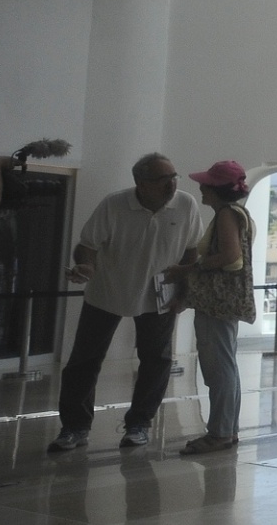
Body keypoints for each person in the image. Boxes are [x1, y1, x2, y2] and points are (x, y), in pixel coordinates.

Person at [47, 153, 210, 452]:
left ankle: (139, 424)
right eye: (164, 179)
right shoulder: (114, 204)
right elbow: (87, 246)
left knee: (156, 361)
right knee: (84, 361)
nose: (172, 184)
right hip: (106, 294)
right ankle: (74, 427)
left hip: (159, 298)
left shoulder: (185, 205)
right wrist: (87, 267)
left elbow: (190, 252)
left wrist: (184, 293)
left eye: (174, 177)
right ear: (141, 182)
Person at [165, 161, 255, 454]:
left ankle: (219, 433)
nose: (201, 188)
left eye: (206, 184)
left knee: (218, 369)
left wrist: (188, 269)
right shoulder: (238, 213)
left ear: (216, 189)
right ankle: (227, 430)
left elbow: (230, 255)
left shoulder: (227, 214)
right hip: (225, 301)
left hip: (218, 302)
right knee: (225, 367)